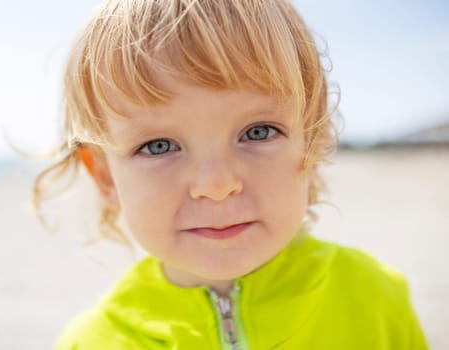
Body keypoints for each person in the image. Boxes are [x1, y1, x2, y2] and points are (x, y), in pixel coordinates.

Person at [31, 0, 428, 348]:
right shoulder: (90, 343)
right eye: (158, 146)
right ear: (105, 178)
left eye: (257, 132)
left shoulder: (374, 299)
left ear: (312, 143)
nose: (215, 185)